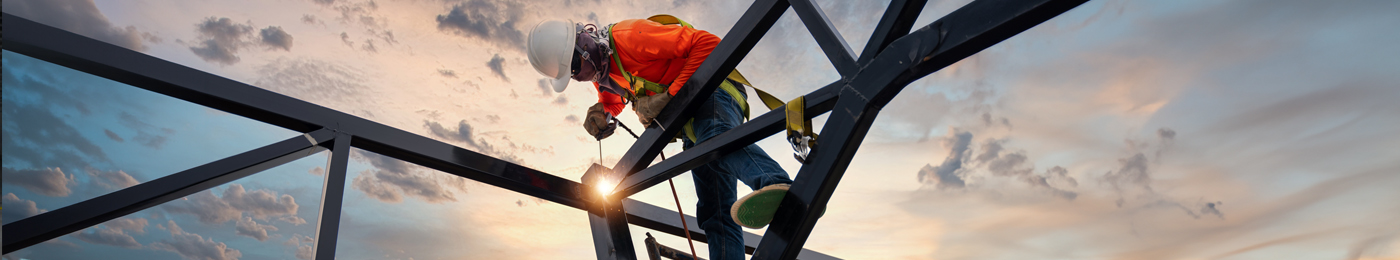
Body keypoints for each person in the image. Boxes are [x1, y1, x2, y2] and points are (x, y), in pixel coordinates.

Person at [527, 18, 793, 260]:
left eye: (574, 67)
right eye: (570, 75)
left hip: (714, 91)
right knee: (715, 212)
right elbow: (614, 97)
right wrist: (604, 110)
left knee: (714, 139)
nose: (577, 76)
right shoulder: (604, 72)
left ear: (583, 45)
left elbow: (708, 44)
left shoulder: (629, 37)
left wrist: (670, 96)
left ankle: (777, 184)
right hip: (689, 120)